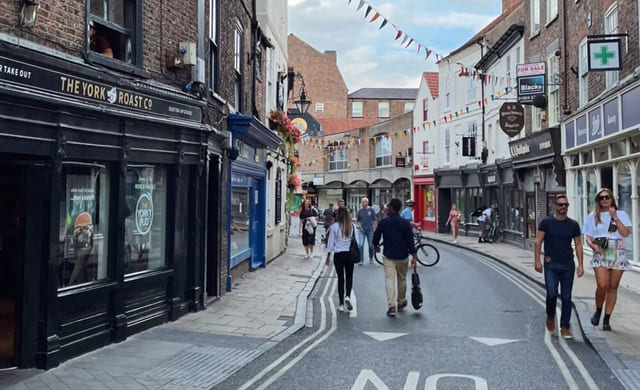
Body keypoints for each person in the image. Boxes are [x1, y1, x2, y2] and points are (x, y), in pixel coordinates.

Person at [534, 194, 584, 339]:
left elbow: (579, 244)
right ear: (555, 206)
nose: (563, 207)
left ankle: (565, 326)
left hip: (567, 264)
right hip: (551, 264)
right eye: (561, 204)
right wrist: (537, 261)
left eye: (566, 205)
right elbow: (538, 242)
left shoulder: (573, 225)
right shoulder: (546, 223)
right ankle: (550, 315)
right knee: (551, 294)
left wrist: (581, 265)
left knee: (567, 297)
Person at [583, 188, 632, 331]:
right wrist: (592, 246)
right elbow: (588, 236)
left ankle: (607, 318)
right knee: (602, 284)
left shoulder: (621, 214)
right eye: (601, 198)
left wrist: (615, 217)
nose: (604, 200)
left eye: (607, 197)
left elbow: (625, 233)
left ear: (612, 198)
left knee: (613, 286)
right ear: (598, 200)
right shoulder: (593, 216)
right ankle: (598, 310)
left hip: (617, 250)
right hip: (601, 249)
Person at [373, 198, 418, 317]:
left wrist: (376, 246)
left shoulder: (384, 222)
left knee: (389, 279)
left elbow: (376, 236)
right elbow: (410, 241)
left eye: (388, 206)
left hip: (388, 255)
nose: (387, 208)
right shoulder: (405, 223)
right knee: (402, 279)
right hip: (403, 255)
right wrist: (414, 256)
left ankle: (392, 305)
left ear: (392, 208)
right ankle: (401, 301)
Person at [325, 207, 356, 312]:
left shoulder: (334, 227)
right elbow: (358, 242)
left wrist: (328, 257)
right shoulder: (352, 227)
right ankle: (348, 296)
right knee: (349, 276)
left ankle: (341, 304)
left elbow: (330, 243)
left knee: (340, 278)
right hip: (349, 254)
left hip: (338, 255)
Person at [356, 197, 377, 265]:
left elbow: (374, 219)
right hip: (362, 230)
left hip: (370, 230)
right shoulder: (360, 211)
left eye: (365, 201)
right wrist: (359, 225)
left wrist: (375, 227)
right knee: (360, 245)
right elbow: (358, 220)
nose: (363, 203)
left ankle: (371, 257)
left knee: (371, 245)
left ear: (367, 202)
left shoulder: (371, 210)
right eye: (362, 201)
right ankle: (361, 259)